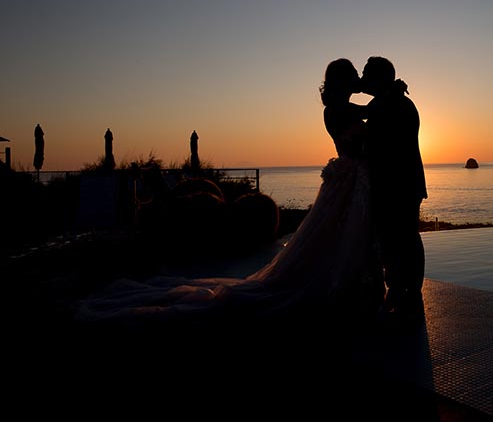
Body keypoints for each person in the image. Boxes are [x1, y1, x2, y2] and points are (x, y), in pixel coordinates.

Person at [73, 58, 385, 329]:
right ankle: (348, 287)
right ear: (344, 81)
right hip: (349, 180)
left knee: (341, 235)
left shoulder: (340, 106)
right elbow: (369, 115)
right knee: (343, 234)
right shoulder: (337, 110)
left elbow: (366, 110)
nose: (357, 79)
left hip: (349, 179)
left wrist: (367, 87)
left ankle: (354, 284)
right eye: (353, 75)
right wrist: (381, 91)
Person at [360, 56, 427, 323]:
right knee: (399, 239)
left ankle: (408, 292)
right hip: (400, 184)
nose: (363, 79)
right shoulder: (388, 101)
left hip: (400, 185)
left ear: (379, 78)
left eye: (366, 74)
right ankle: (403, 291)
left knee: (404, 238)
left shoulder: (392, 104)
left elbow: (382, 147)